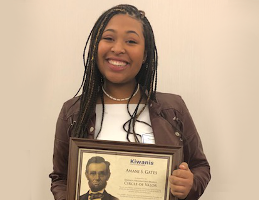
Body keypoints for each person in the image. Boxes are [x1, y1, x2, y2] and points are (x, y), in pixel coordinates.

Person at [49, 4, 211, 200]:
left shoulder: (173, 108)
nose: (118, 48)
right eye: (108, 38)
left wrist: (190, 184)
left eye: (131, 41)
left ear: (145, 55)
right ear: (95, 47)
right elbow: (60, 178)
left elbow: (200, 167)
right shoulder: (73, 112)